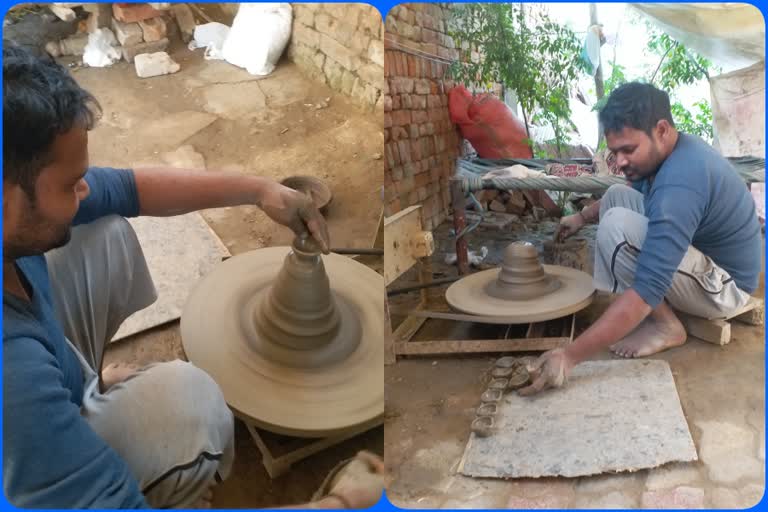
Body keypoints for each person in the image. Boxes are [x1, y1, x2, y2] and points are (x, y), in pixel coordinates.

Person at [3, 44, 384, 508]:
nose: (85, 187)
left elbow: (127, 188)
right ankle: (172, 487)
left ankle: (84, 383)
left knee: (96, 230)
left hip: (32, 398)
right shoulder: (13, 377)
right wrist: (341, 503)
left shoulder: (14, 220)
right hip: (28, 457)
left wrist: (259, 189)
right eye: (68, 183)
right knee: (191, 401)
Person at [519, 82, 761, 396]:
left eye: (627, 150)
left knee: (617, 229)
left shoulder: (681, 184)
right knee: (618, 195)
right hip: (703, 260)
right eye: (615, 151)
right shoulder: (675, 151)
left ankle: (666, 326)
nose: (619, 161)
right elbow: (627, 193)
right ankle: (660, 317)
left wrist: (569, 356)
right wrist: (581, 217)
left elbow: (648, 287)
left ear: (661, 130)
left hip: (726, 288)